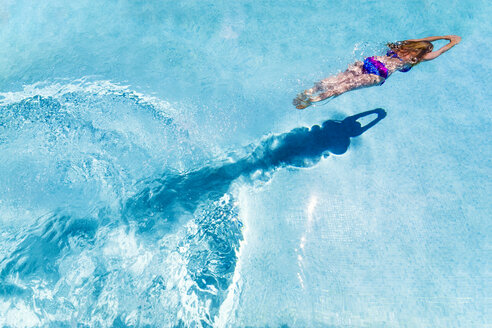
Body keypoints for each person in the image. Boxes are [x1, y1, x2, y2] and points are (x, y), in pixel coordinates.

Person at [293, 35, 461, 109]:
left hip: (371, 61)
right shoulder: (414, 59)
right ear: (422, 53)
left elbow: (418, 41)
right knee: (343, 87)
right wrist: (452, 42)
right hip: (379, 73)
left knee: (338, 79)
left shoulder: (402, 46)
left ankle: (309, 91)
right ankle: (312, 100)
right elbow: (440, 52)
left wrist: (442, 36)